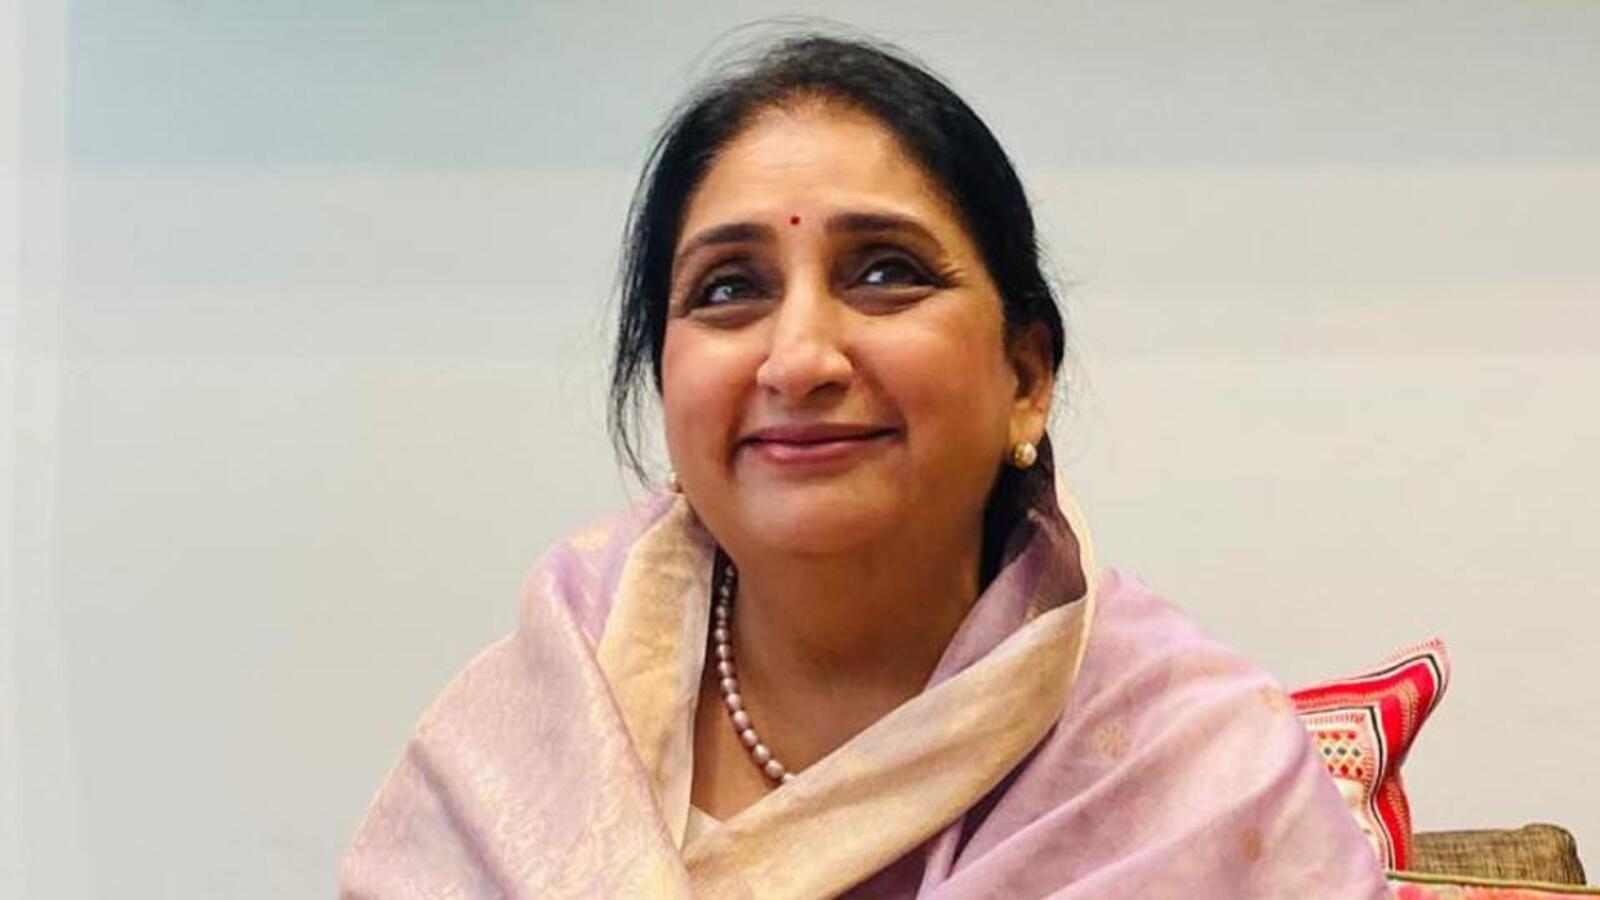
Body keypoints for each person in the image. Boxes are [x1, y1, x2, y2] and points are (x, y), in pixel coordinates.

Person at [340, 34, 1389, 898]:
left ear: (1026, 376)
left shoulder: (1195, 776)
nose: (799, 359)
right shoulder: (542, 718)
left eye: (885, 273)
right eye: (728, 289)